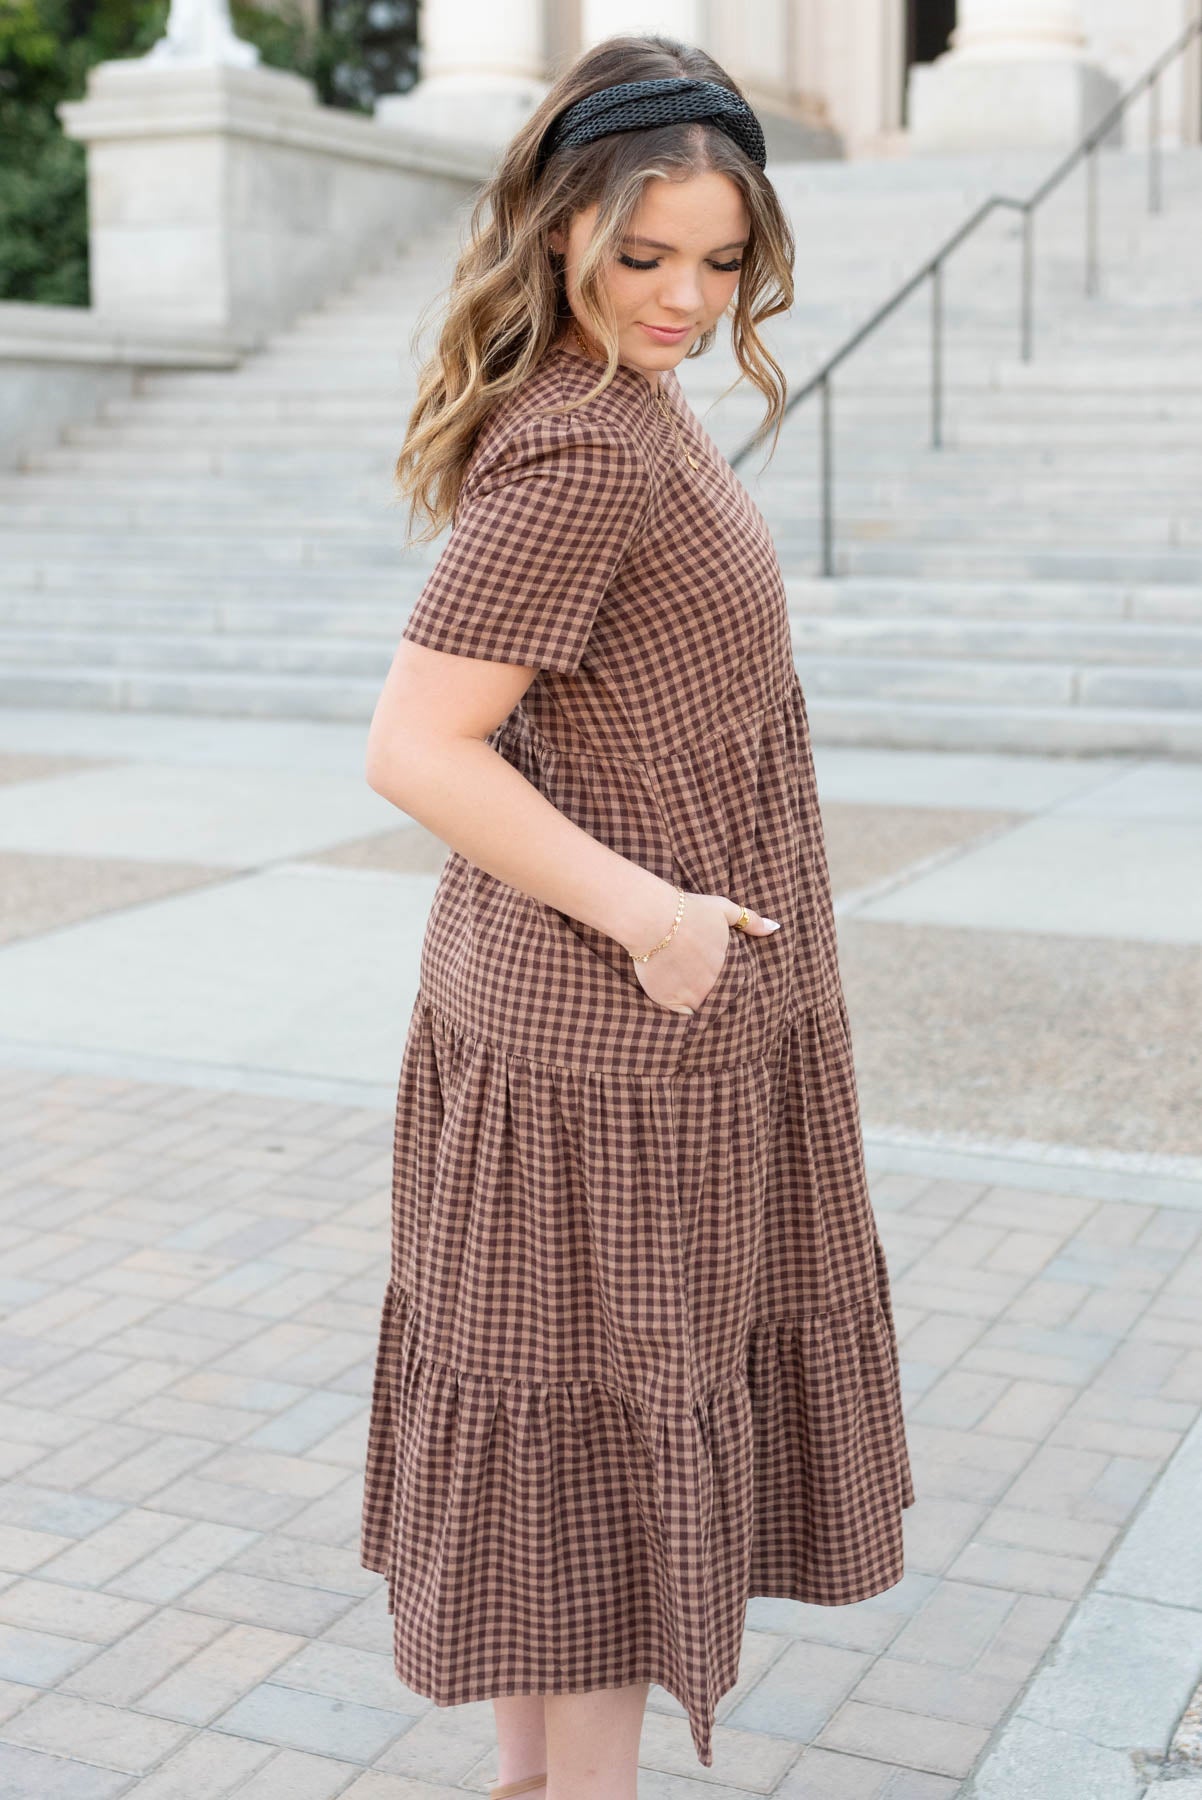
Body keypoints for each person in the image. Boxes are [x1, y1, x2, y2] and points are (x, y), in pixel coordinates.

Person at [359, 31, 916, 1800]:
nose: (684, 296)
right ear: (556, 236)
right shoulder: (590, 446)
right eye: (643, 256)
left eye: (720, 259)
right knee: (594, 1482)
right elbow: (414, 745)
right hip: (608, 1047)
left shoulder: (616, 402)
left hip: (608, 1037)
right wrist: (657, 915)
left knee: (571, 1473)